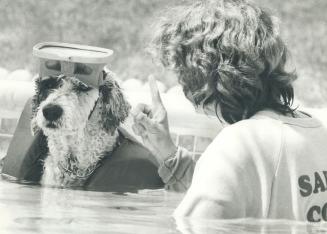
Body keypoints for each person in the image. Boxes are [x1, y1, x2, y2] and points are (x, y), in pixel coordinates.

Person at [132, 0, 327, 222]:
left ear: (202, 76)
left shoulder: (241, 143)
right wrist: (168, 152)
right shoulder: (317, 130)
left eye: (183, 73)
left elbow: (195, 225)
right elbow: (237, 192)